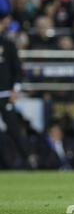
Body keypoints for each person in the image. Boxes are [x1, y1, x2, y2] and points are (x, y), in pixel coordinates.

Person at [0, 10, 34, 168]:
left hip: (5, 93)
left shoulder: (8, 44)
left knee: (14, 128)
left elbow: (18, 70)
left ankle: (29, 159)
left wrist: (16, 89)